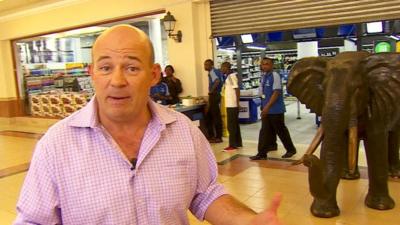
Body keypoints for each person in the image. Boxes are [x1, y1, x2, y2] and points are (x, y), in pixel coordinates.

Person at [14, 25, 284, 225]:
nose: (117, 81)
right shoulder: (57, 144)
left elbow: (206, 194)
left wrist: (248, 221)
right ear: (92, 73)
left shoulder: (183, 131)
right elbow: (33, 220)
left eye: (131, 68)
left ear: (154, 75)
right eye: (106, 67)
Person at [250, 57, 297, 160]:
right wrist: (263, 107)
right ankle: (262, 153)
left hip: (276, 110)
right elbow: (263, 93)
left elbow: (276, 92)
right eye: (263, 64)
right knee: (264, 131)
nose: (264, 66)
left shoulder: (275, 75)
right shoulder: (264, 76)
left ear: (272, 65)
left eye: (267, 64)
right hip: (267, 109)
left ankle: (291, 149)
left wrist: (267, 107)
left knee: (281, 131)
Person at [220, 61, 242, 151]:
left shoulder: (231, 76)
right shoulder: (228, 77)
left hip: (232, 104)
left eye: (222, 67)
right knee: (235, 125)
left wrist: (237, 103)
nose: (221, 69)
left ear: (226, 67)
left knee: (231, 126)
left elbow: (237, 89)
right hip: (230, 104)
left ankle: (232, 145)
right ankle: (238, 142)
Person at [204, 59, 223, 143]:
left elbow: (217, 81)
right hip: (215, 95)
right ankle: (212, 136)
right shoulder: (214, 71)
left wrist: (211, 91)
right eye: (204, 64)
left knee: (215, 117)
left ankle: (218, 137)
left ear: (212, 65)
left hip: (214, 95)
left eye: (207, 64)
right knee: (209, 115)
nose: (205, 66)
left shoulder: (212, 71)